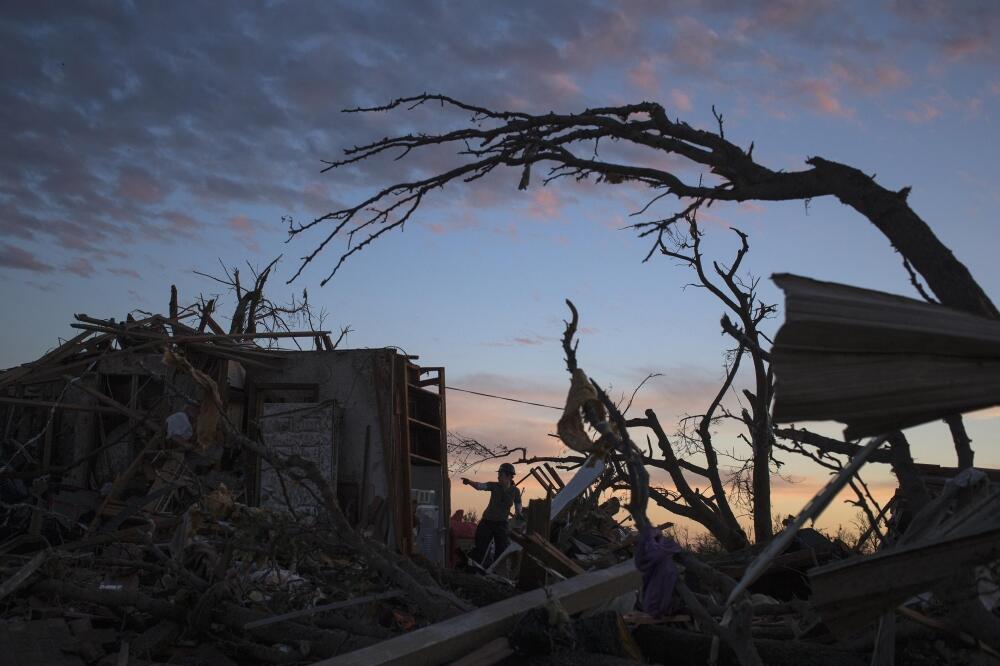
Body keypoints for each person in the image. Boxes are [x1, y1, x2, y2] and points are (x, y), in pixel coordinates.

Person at [462, 462, 523, 567]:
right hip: (487, 522)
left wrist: (519, 515)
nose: (498, 477)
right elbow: (480, 486)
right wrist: (469, 482)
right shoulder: (494, 486)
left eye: (501, 474)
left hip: (502, 524)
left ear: (509, 476)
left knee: (502, 549)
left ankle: (495, 571)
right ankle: (473, 568)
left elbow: (518, 507)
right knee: (480, 547)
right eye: (498, 474)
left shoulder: (515, 491)